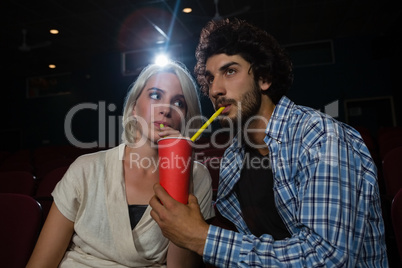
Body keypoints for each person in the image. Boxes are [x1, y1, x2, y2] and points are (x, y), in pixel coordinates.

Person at [149, 18, 389, 267]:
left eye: (230, 71)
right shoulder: (234, 156)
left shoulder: (320, 137)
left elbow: (327, 257)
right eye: (210, 79)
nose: (215, 90)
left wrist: (202, 238)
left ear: (264, 78)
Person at [27, 61, 214, 267]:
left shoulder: (197, 176)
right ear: (134, 108)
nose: (166, 110)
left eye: (179, 103)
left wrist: (181, 173)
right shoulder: (85, 169)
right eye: (155, 95)